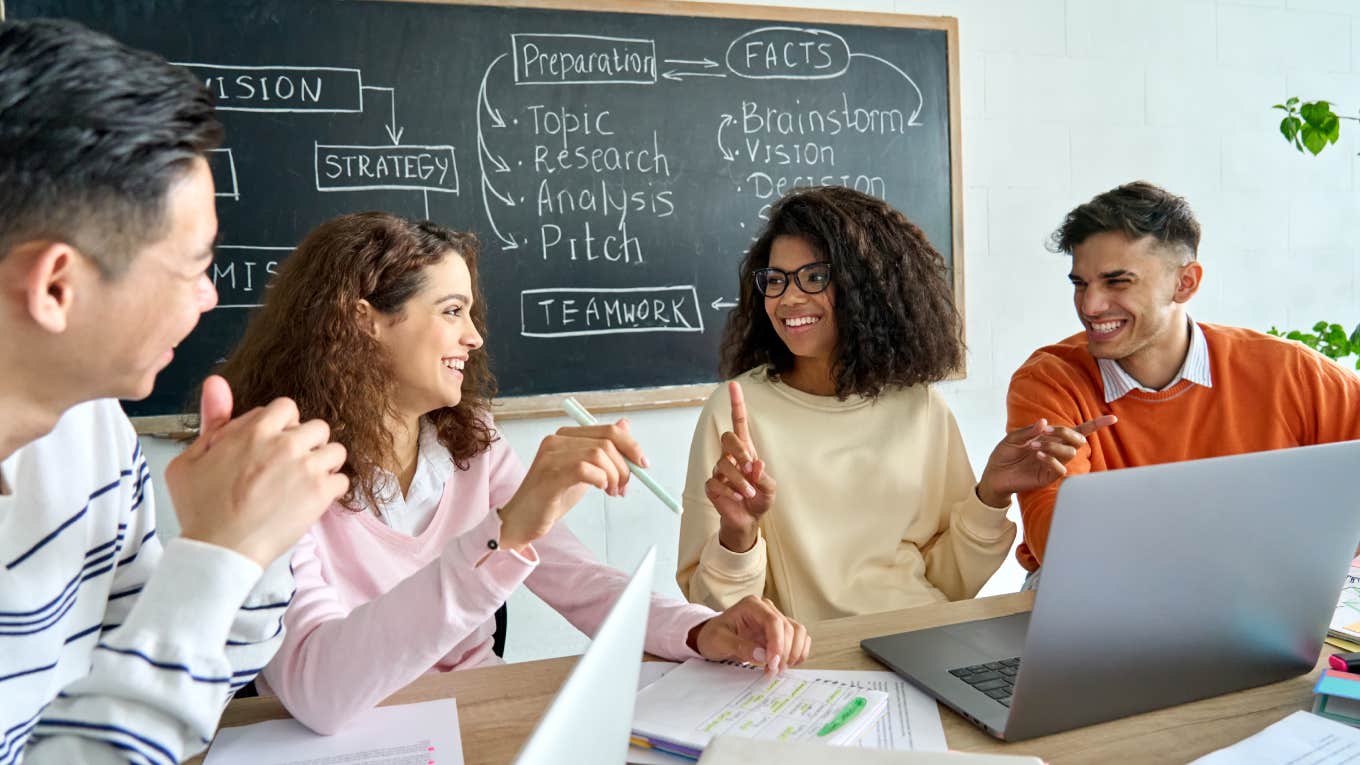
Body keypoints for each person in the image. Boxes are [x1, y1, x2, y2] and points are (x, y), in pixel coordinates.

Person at [213, 211, 810, 734]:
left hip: (479, 717)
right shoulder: (276, 466)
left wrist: (702, 631)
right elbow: (317, 690)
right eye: (452, 311)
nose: (473, 337)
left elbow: (582, 584)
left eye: (470, 312)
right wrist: (508, 533)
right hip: (348, 742)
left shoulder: (471, 440)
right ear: (363, 319)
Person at [0, 19, 349, 764]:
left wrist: (252, 546)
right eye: (193, 265)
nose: (210, 296)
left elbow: (173, 694)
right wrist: (217, 554)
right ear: (56, 284)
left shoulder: (91, 430)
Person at [677, 186, 1112, 622]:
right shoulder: (736, 412)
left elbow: (947, 584)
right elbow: (713, 613)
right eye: (776, 280)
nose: (788, 298)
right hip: (806, 660)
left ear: (866, 286)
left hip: (921, 637)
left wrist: (992, 494)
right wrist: (739, 535)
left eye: (814, 277)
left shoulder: (919, 405)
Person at [1006, 180, 1360, 582]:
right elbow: (1059, 546)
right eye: (1081, 283)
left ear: (1185, 283)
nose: (1090, 306)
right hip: (1098, 588)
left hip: (1261, 584)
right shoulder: (1049, 381)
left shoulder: (1293, 372)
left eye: (1117, 281)